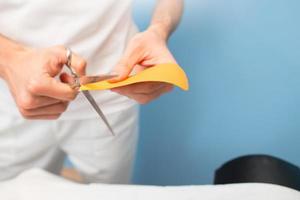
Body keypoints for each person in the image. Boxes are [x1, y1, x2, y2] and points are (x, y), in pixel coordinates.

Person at [0, 0, 183, 183]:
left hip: (112, 100)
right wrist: (11, 60)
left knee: (110, 193)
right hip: (13, 98)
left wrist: (159, 31)